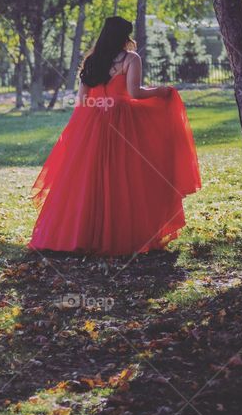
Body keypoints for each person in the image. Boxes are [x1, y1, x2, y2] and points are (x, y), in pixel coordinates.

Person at [29, 16, 201, 256]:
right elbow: (135, 93)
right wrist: (162, 92)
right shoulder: (131, 59)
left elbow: (82, 100)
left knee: (86, 178)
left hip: (91, 123)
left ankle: (80, 235)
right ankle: (122, 235)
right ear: (125, 37)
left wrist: (90, 119)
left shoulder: (91, 61)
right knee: (124, 175)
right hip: (122, 122)